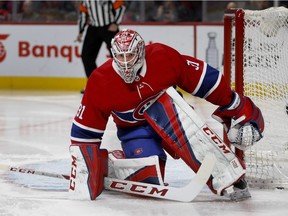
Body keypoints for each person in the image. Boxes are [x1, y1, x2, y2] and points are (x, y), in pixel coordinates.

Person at [69, 29, 264, 201]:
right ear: (113, 55)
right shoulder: (100, 81)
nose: (126, 63)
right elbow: (85, 133)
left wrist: (236, 105)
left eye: (131, 55)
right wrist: (85, 170)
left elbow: (203, 80)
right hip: (135, 130)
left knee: (193, 135)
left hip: (174, 117)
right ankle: (114, 164)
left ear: (142, 51)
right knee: (148, 181)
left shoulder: (162, 56)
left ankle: (228, 177)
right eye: (121, 57)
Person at [75, 0, 126, 94]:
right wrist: (80, 31)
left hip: (109, 26)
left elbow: (120, 7)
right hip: (93, 28)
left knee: (118, 56)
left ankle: (123, 82)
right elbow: (83, 13)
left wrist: (116, 23)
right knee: (86, 56)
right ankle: (95, 84)